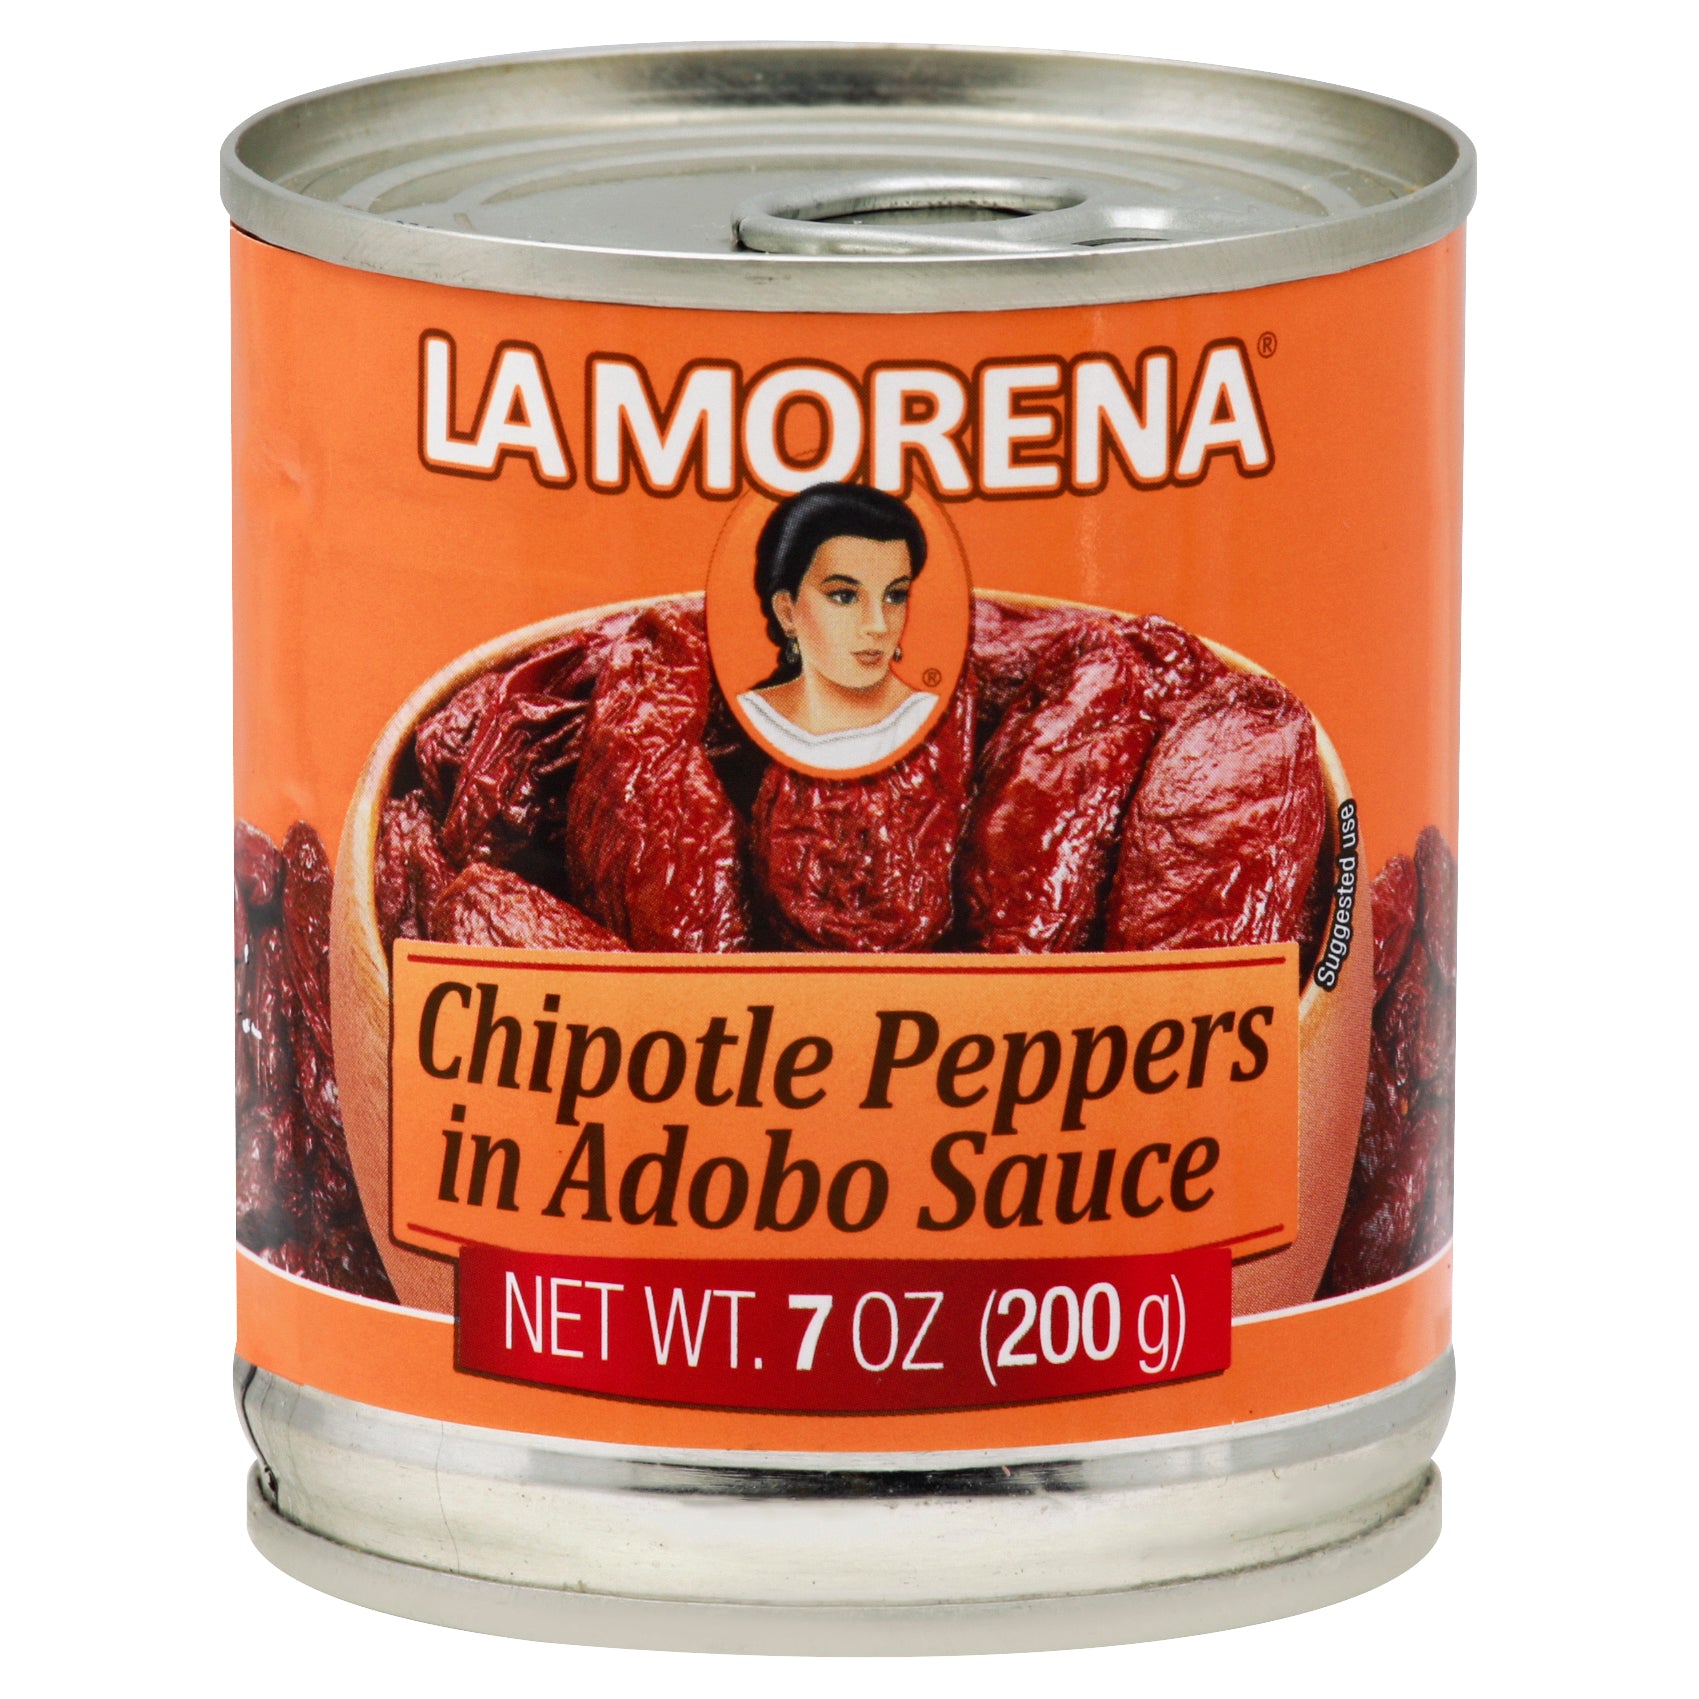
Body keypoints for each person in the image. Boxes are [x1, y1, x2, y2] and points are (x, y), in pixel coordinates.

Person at [739, 483, 937, 771]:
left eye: (895, 595)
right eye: (845, 596)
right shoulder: (748, 718)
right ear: (787, 612)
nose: (878, 625)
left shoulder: (933, 719)